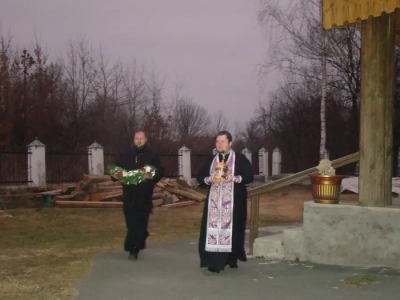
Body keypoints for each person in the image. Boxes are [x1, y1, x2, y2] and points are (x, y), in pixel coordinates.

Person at [197, 130, 254, 274]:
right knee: (213, 232)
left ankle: (231, 258)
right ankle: (214, 263)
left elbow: (249, 176)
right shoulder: (211, 160)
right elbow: (200, 177)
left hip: (234, 203)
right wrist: (209, 179)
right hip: (214, 206)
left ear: (230, 143)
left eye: (223, 141)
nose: (219, 144)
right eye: (217, 141)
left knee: (233, 231)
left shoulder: (240, 159)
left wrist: (233, 178)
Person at [114, 130, 164, 260]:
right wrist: (116, 174)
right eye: (137, 138)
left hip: (144, 195)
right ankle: (136, 241)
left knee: (140, 222)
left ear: (146, 139)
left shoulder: (152, 155)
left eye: (141, 138)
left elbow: (160, 171)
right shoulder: (125, 154)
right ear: (133, 139)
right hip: (129, 194)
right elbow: (116, 169)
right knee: (131, 222)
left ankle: (134, 249)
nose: (139, 140)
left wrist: (152, 175)